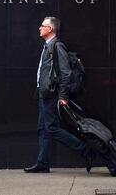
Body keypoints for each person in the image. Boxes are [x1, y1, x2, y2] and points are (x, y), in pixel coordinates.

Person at [24, 17, 92, 173]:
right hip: (44, 93)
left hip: (52, 94)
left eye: (43, 26)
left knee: (53, 128)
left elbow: (66, 73)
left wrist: (63, 96)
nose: (39, 28)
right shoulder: (47, 46)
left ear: (51, 29)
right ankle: (43, 163)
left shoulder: (57, 46)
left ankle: (85, 150)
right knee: (43, 128)